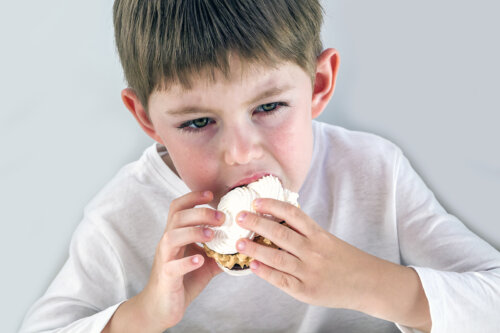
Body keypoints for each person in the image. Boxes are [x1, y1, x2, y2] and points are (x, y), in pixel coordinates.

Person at [20, 1, 500, 332]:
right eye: (199, 121)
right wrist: (144, 315)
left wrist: (372, 283)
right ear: (147, 118)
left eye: (268, 108)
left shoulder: (374, 174)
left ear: (317, 84)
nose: (241, 152)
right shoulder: (121, 219)